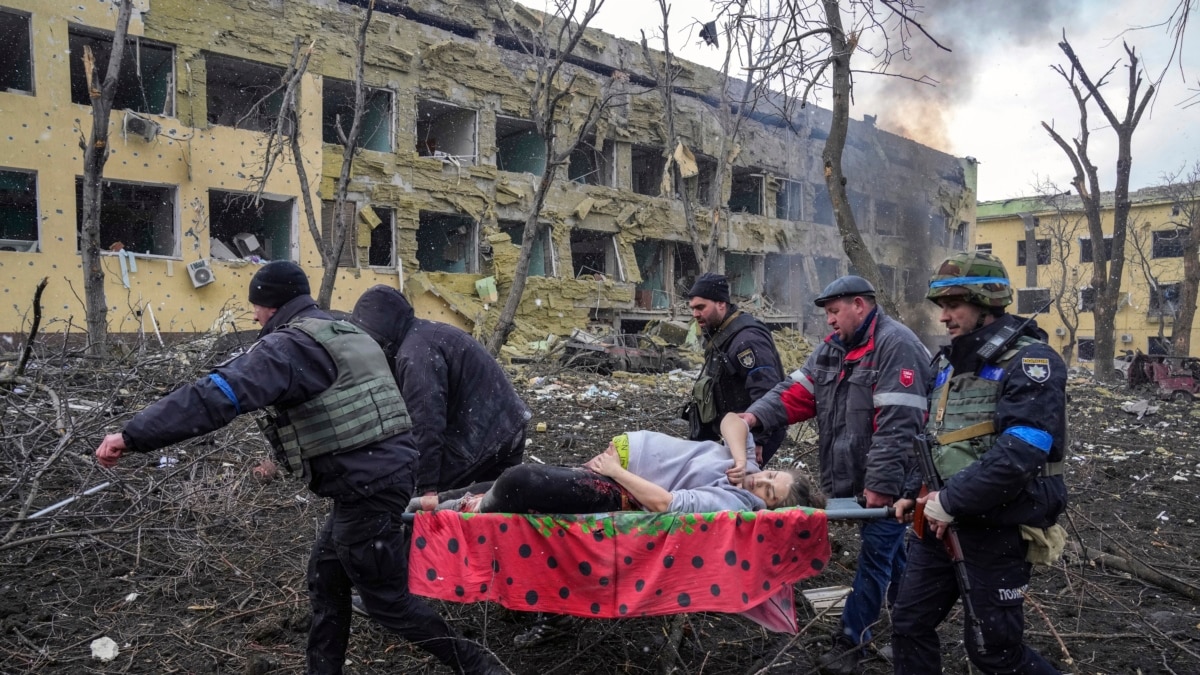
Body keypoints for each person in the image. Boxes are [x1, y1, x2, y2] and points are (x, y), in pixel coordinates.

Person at [94, 261, 501, 675]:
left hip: (368, 487)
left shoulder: (289, 347)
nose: (253, 315)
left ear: (271, 305)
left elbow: (213, 397)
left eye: (255, 306)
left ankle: (480, 666)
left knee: (386, 602)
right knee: (327, 579)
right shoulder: (342, 331)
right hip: (378, 477)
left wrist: (132, 436)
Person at [741, 275, 930, 675]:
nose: (828, 321)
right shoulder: (832, 351)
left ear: (859, 305)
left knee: (877, 557)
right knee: (893, 555)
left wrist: (880, 485)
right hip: (856, 480)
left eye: (833, 312)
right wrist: (754, 417)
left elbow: (900, 424)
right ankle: (911, 626)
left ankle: (850, 641)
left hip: (894, 482)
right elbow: (795, 393)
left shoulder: (896, 346)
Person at [890, 252, 1067, 674]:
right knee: (908, 623)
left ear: (986, 302)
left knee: (994, 650)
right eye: (942, 307)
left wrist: (951, 500)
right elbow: (932, 438)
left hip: (998, 526)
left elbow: (1022, 450)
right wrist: (911, 493)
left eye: (954, 305)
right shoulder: (949, 365)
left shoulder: (1031, 362)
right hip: (938, 522)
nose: (945, 317)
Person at [351, 285, 531, 508]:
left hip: (483, 436)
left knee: (415, 506)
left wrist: (426, 488)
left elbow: (426, 423)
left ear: (381, 337)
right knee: (495, 511)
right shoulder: (424, 335)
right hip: (508, 425)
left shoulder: (415, 354)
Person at [430, 413, 823, 514]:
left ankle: (456, 510)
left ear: (767, 509)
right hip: (615, 465)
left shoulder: (736, 503)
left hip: (620, 488)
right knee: (515, 482)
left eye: (769, 493)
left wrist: (617, 472)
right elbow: (733, 421)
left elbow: (666, 504)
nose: (761, 484)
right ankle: (428, 502)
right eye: (770, 476)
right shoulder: (746, 470)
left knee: (521, 481)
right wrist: (741, 458)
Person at [685, 272, 787, 464]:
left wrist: (758, 439)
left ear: (721, 303)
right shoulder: (721, 333)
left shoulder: (746, 340)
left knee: (740, 486)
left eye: (701, 307)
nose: (695, 314)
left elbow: (766, 391)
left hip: (751, 433)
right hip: (733, 431)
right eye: (692, 308)